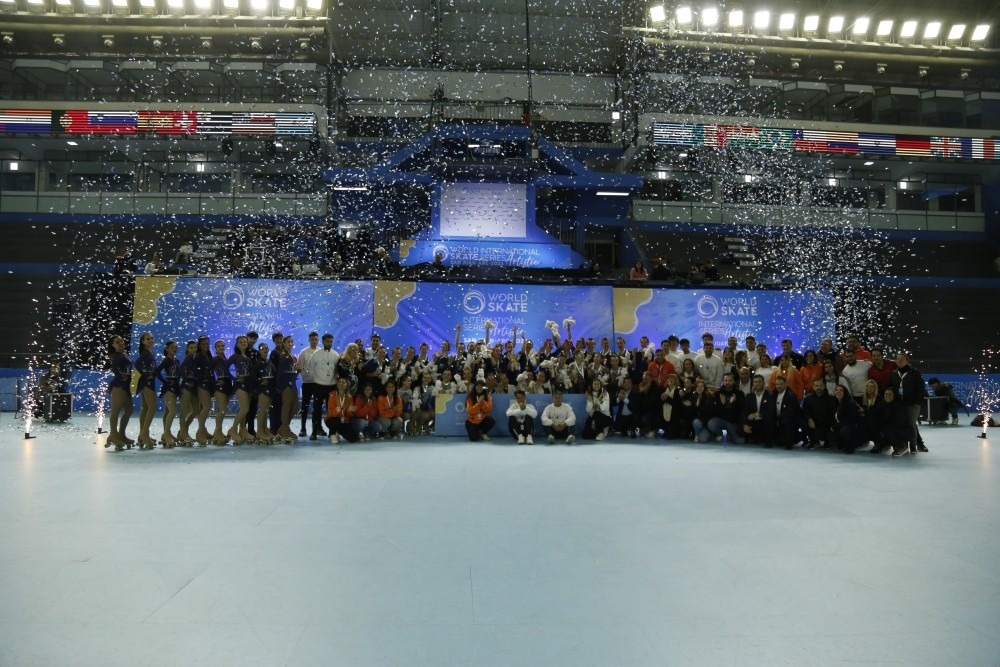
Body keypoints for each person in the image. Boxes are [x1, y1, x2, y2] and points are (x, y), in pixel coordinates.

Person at [889, 352, 928, 453]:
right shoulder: (893, 374)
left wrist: (918, 401)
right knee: (901, 424)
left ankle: (913, 446)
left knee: (911, 424)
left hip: (912, 404)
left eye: (902, 358)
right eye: (897, 359)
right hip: (899, 404)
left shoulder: (915, 373)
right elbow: (890, 387)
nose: (899, 360)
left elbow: (920, 388)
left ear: (907, 360)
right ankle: (904, 444)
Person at [306, 333, 339, 440]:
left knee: (332, 410)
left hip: (332, 387)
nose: (329, 343)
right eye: (327, 341)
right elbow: (310, 370)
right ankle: (314, 432)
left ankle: (332, 432)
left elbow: (337, 371)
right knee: (317, 410)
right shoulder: (315, 355)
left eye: (331, 341)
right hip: (319, 386)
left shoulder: (336, 355)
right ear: (323, 341)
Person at [106, 335, 134, 451]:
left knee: (129, 410)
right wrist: (121, 376)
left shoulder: (124, 353)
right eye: (117, 342)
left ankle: (121, 435)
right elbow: (114, 368)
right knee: (116, 410)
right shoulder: (117, 355)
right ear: (113, 345)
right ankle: (113, 434)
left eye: (121, 341)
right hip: (119, 385)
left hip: (125, 385)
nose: (121, 343)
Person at [227, 335, 254, 443]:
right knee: (245, 409)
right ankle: (233, 429)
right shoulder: (235, 356)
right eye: (240, 342)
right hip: (239, 385)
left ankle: (242, 430)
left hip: (249, 385)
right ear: (237, 345)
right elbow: (225, 367)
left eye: (244, 341)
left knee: (246, 410)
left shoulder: (248, 357)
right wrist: (234, 378)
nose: (243, 343)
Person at [134, 331, 158, 449]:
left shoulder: (149, 352)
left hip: (148, 381)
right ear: (143, 342)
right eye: (147, 339)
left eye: (151, 338)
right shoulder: (145, 353)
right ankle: (144, 434)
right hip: (147, 382)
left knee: (146, 408)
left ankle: (143, 434)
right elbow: (137, 363)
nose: (150, 340)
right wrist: (145, 374)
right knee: (152, 407)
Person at [706, 372, 744, 444]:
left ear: (733, 381)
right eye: (726, 380)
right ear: (723, 381)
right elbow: (714, 410)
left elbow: (740, 410)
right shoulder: (718, 393)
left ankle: (728, 435)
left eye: (730, 380)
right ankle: (724, 434)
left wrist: (732, 403)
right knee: (711, 423)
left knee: (740, 441)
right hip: (721, 420)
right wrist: (722, 404)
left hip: (733, 422)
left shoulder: (739, 393)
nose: (727, 382)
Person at [156, 340, 181, 448]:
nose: (174, 349)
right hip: (168, 387)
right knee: (172, 410)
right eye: (172, 347)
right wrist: (164, 381)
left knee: (167, 411)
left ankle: (167, 433)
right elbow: (157, 371)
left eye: (175, 347)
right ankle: (166, 434)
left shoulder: (177, 361)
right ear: (167, 349)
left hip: (175, 386)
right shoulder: (166, 360)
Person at [297, 331, 322, 437]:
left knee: (318, 407)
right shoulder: (303, 352)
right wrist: (305, 375)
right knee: (305, 406)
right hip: (307, 383)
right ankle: (303, 428)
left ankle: (319, 428)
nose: (314, 341)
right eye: (312, 339)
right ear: (309, 340)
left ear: (318, 340)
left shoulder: (321, 351)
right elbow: (299, 366)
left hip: (318, 383)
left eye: (316, 339)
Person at [830, 384, 868, 454]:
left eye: (841, 390)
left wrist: (836, 426)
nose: (838, 392)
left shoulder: (850, 403)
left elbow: (851, 420)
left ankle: (855, 444)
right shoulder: (835, 403)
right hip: (845, 427)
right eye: (837, 390)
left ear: (845, 392)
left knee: (844, 430)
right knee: (832, 435)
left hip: (856, 429)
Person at [276, 335, 300, 442]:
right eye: (288, 342)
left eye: (291, 342)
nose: (290, 344)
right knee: (286, 407)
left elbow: (293, 373)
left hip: (293, 383)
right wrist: (278, 386)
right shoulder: (283, 356)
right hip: (286, 384)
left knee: (294, 408)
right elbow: (280, 372)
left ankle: (283, 427)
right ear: (283, 344)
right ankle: (285, 428)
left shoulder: (292, 356)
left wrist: (298, 371)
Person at [801, 378, 836, 449]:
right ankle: (813, 441)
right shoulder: (808, 399)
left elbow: (832, 416)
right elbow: (805, 412)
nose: (818, 388)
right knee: (802, 422)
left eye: (820, 385)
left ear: (824, 386)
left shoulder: (831, 399)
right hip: (813, 423)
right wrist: (809, 419)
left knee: (819, 434)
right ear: (813, 387)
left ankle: (827, 441)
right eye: (816, 386)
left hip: (826, 425)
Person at [211, 339, 234, 445]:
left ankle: (219, 431)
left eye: (223, 345)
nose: (221, 347)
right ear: (215, 348)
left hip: (228, 385)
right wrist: (215, 382)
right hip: (219, 386)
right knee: (222, 410)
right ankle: (217, 432)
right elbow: (208, 372)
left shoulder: (226, 358)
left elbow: (228, 373)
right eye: (219, 346)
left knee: (223, 410)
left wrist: (234, 380)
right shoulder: (214, 359)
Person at [253, 342, 277, 444]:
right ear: (259, 351)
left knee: (266, 410)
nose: (265, 350)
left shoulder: (269, 361)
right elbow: (252, 375)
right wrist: (259, 381)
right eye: (262, 348)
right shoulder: (258, 362)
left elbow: (275, 373)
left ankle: (265, 429)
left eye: (266, 348)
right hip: (262, 389)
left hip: (270, 388)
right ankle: (259, 431)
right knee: (263, 410)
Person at [770, 375, 802, 449]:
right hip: (779, 420)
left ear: (785, 384)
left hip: (790, 421)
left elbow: (791, 412)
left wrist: (778, 419)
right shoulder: (774, 394)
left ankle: (790, 442)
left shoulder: (791, 396)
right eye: (777, 384)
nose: (778, 386)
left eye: (781, 384)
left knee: (787, 421)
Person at [741, 374, 774, 446]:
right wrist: (744, 425)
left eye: (759, 382)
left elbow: (771, 411)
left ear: (763, 383)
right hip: (753, 423)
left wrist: (757, 414)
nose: (757, 384)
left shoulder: (770, 396)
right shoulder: (749, 396)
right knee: (740, 430)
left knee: (769, 422)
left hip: (765, 422)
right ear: (753, 384)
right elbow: (744, 412)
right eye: (755, 382)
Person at [193, 336, 214, 446]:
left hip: (209, 384)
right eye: (203, 344)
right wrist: (202, 378)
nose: (206, 346)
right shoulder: (198, 356)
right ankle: (200, 432)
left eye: (207, 344)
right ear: (199, 345)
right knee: (206, 407)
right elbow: (195, 370)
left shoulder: (208, 355)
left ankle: (203, 430)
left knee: (205, 408)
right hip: (202, 384)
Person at [177, 340, 199, 446]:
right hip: (186, 388)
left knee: (196, 410)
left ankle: (183, 431)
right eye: (191, 348)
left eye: (195, 347)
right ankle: (184, 434)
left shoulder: (195, 359)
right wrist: (186, 381)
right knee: (184, 411)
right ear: (187, 349)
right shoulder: (187, 359)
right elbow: (181, 370)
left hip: (194, 388)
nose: (193, 350)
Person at [325, 377, 358, 443]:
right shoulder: (332, 395)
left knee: (353, 438)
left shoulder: (349, 397)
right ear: (337, 384)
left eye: (343, 382)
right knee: (336, 420)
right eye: (339, 382)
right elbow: (330, 412)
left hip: (344, 421)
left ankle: (337, 431)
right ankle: (332, 434)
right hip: (332, 419)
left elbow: (348, 415)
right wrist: (337, 411)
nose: (341, 384)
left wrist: (350, 411)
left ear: (346, 385)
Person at [688, 377, 717, 443]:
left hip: (707, 422)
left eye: (701, 386)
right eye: (698, 386)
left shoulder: (709, 396)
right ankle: (696, 434)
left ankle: (711, 433)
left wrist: (699, 406)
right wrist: (692, 406)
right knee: (696, 422)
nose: (700, 388)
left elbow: (710, 411)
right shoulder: (693, 396)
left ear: (704, 387)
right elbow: (691, 414)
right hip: (698, 421)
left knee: (703, 439)